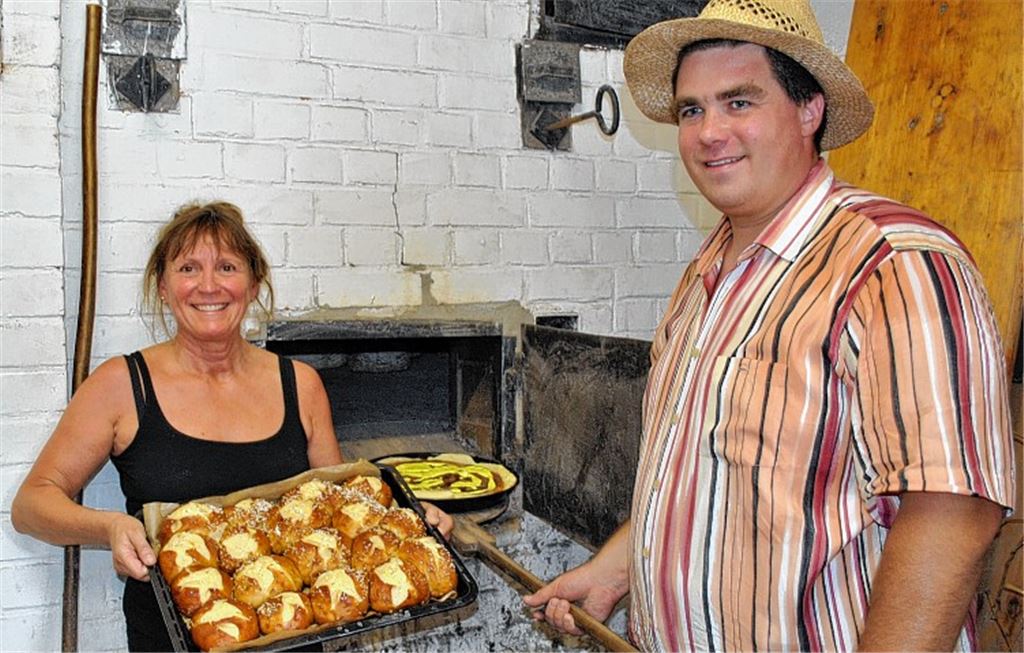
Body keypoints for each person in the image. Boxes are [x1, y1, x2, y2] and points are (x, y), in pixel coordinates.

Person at [524, 1, 1015, 651]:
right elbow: (697, 471)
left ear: (809, 110)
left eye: (739, 101)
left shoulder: (895, 264)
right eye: (692, 109)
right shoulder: (705, 277)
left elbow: (952, 513)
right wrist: (614, 568)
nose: (708, 132)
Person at [11, 201, 453, 651]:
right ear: (163, 286)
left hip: (293, 638)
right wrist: (110, 527)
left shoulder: (300, 385)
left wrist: (409, 523)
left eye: (226, 266)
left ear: (253, 282)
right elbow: (31, 505)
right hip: (170, 637)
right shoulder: (122, 386)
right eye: (188, 268)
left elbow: (336, 515)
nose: (208, 286)